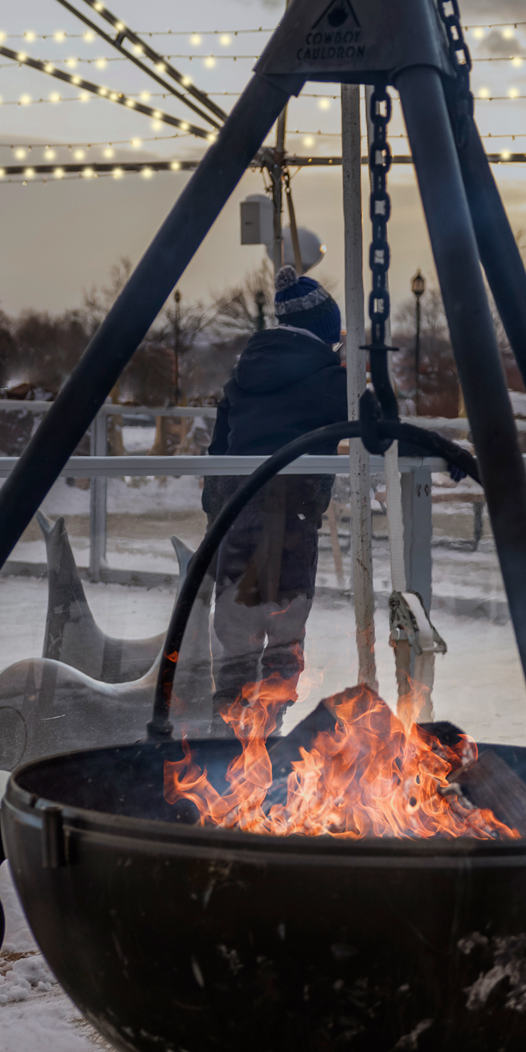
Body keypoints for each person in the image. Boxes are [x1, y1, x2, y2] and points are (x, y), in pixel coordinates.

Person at [202, 265, 348, 727]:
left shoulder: (244, 373)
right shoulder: (327, 381)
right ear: (322, 333)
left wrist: (215, 519)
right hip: (292, 520)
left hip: (237, 516)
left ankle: (227, 744)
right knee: (283, 641)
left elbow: (218, 452)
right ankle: (265, 741)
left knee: (237, 640)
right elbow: (381, 417)